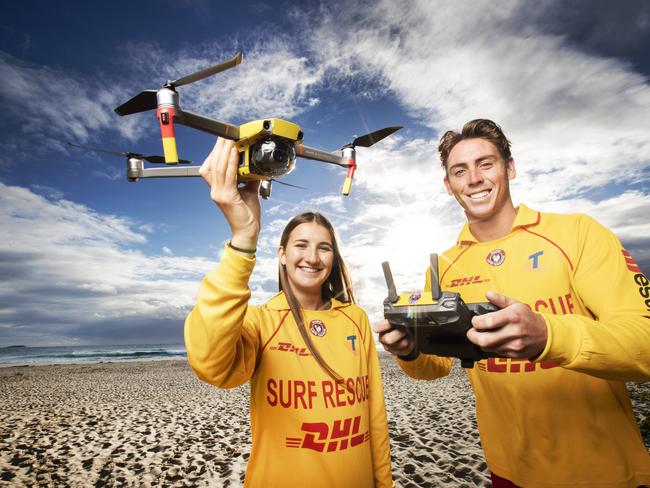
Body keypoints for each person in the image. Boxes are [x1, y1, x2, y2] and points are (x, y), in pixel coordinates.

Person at [374, 119, 650, 487]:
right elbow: (437, 366)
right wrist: (408, 351)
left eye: (485, 164)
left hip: (606, 471)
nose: (473, 178)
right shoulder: (444, 268)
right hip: (508, 470)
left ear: (510, 167)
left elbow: (645, 342)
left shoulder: (578, 233)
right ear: (449, 185)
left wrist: (549, 336)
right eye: (460, 170)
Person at [184, 137, 393, 488]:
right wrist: (244, 237)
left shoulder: (354, 318)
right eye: (301, 245)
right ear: (282, 254)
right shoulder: (261, 320)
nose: (312, 257)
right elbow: (210, 365)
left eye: (323, 248)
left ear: (333, 258)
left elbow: (375, 416)